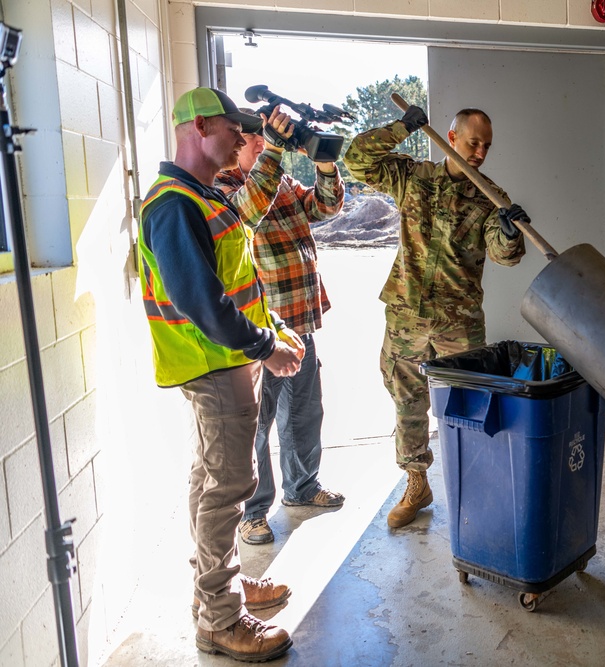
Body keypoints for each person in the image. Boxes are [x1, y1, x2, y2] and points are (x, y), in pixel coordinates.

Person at [137, 87, 302, 662]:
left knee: (211, 481)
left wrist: (272, 325)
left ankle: (218, 592)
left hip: (222, 362)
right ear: (202, 126)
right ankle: (220, 620)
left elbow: (235, 280)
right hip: (213, 364)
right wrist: (265, 348)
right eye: (234, 127)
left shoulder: (199, 196)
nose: (242, 137)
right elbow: (203, 304)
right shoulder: (173, 205)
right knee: (229, 488)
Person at [343, 105, 530, 528]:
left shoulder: (490, 195)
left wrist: (508, 231)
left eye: (486, 146)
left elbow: (506, 257)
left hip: (457, 320)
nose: (480, 152)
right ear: (450, 135)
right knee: (407, 401)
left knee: (469, 408)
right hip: (407, 313)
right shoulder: (413, 177)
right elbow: (356, 160)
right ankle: (417, 484)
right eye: (473, 142)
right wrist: (400, 128)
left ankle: (478, 487)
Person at [215, 106, 347, 545]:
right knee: (258, 423)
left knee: (305, 413)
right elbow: (246, 214)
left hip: (300, 322)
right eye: (254, 138)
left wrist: (324, 161)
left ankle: (303, 488)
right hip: (261, 331)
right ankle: (252, 513)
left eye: (265, 138)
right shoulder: (224, 188)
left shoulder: (284, 183)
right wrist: (274, 153)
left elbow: (326, 206)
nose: (259, 143)